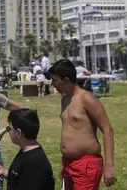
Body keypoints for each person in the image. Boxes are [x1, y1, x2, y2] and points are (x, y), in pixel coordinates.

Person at [49, 59, 116, 189]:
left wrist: (109, 166)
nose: (52, 84)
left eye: (55, 80)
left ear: (66, 80)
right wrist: (64, 162)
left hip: (86, 164)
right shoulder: (65, 100)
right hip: (68, 163)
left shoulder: (87, 98)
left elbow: (107, 129)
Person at [0, 109, 54, 190]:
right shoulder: (26, 151)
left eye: (9, 128)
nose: (8, 132)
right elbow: (23, 179)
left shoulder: (35, 163)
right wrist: (4, 172)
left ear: (18, 133)